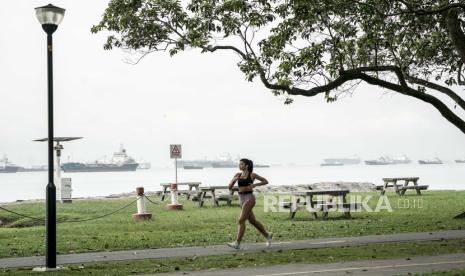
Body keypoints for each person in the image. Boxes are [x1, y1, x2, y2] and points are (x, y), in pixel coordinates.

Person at [226, 158, 272, 249]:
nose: (240, 166)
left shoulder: (252, 175)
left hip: (249, 198)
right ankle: (268, 235)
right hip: (241, 198)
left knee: (241, 220)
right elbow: (229, 187)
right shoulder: (237, 175)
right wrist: (233, 180)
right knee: (252, 221)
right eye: (239, 164)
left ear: (247, 165)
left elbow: (265, 181)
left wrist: (255, 185)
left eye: (242, 164)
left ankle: (237, 243)